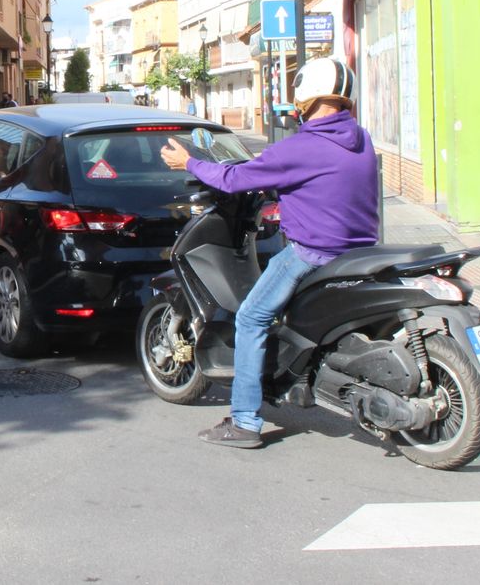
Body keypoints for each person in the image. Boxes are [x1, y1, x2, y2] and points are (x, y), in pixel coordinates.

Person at [160, 57, 379, 449]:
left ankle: (244, 421)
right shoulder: (361, 139)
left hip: (312, 254)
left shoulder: (301, 147)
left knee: (250, 318)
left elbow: (233, 179)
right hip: (361, 253)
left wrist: (188, 162)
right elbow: (327, 183)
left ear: (306, 96)